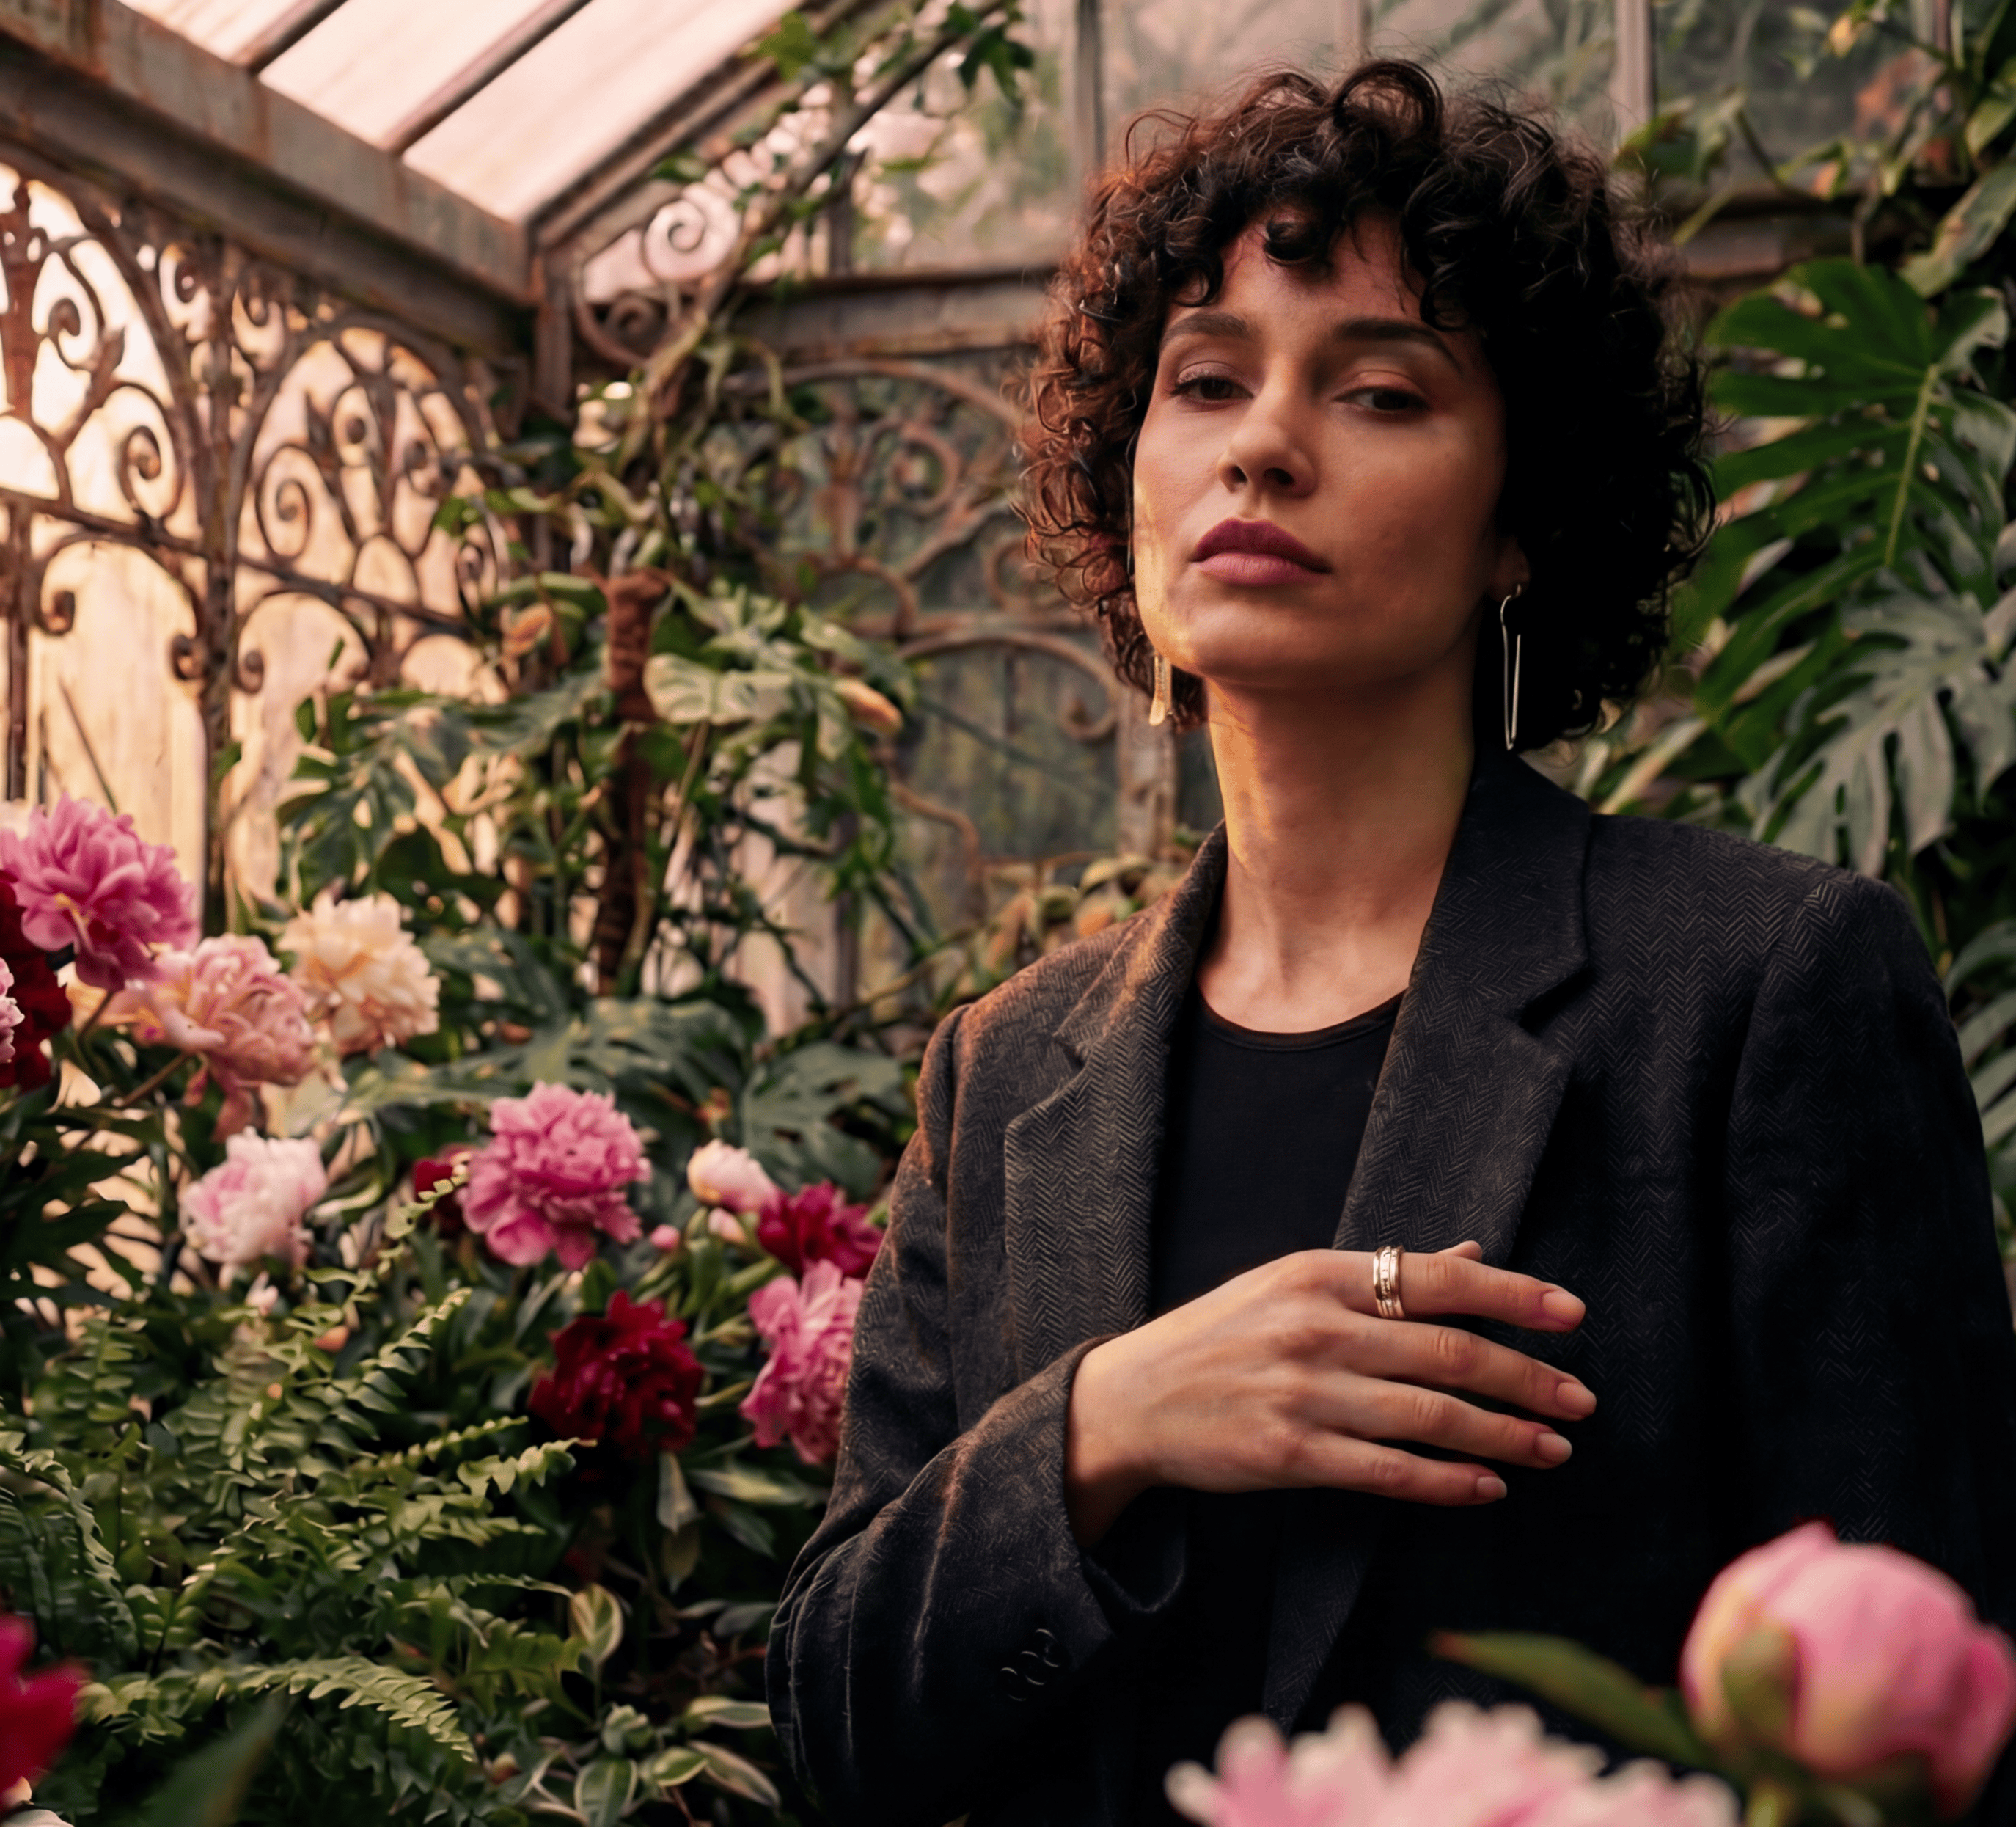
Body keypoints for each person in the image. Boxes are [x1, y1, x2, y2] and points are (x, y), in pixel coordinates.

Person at [766, 59, 2016, 1826]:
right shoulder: (1004, 1066)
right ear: (1125, 481)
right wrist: (1104, 1421)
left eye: (1377, 392)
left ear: (1519, 521)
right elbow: (829, 1719)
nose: (1262, 444)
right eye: (1204, 380)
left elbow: (1925, 1699)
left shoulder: (1760, 990)